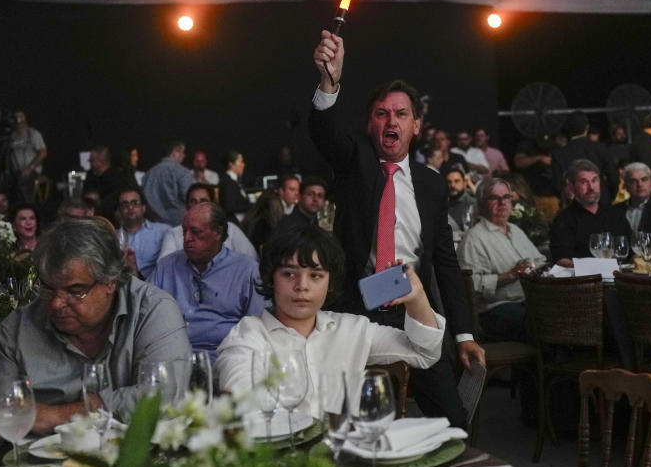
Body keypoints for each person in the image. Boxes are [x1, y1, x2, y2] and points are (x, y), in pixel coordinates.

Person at [310, 29, 483, 429]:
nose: (391, 121)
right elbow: (324, 134)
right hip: (358, 312)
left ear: (416, 125)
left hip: (414, 315)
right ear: (370, 124)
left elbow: (445, 263)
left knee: (454, 427)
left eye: (401, 114)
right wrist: (328, 82)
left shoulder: (431, 183)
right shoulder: (357, 164)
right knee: (348, 430)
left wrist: (462, 335)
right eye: (381, 114)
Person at [0, 219, 191, 438]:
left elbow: (165, 396)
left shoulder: (153, 311)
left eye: (75, 290)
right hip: (37, 466)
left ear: (110, 282)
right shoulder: (19, 328)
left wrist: (57, 416)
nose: (56, 303)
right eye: (47, 288)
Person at [216, 225, 444, 416]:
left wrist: (416, 298)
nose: (302, 285)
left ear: (330, 282)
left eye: (315, 275)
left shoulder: (352, 329)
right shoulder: (247, 336)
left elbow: (425, 353)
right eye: (289, 274)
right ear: (270, 279)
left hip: (347, 457)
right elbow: (243, 408)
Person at [148, 203, 265, 361]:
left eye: (195, 232)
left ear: (218, 232)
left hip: (226, 358)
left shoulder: (246, 271)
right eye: (184, 231)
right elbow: (146, 314)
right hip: (172, 355)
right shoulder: (166, 267)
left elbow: (257, 329)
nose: (187, 238)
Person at [458, 178, 546, 340]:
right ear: (481, 204)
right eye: (494, 198)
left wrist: (540, 269)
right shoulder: (474, 238)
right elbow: (470, 285)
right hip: (495, 310)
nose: (502, 202)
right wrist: (510, 275)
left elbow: (539, 261)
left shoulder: (516, 230)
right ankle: (554, 362)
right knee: (541, 319)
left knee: (559, 308)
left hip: (527, 301)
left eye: (506, 197)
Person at [549, 160, 630, 267]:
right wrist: (591, 267)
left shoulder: (615, 214)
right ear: (572, 186)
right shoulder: (564, 219)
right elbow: (561, 259)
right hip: (582, 279)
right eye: (584, 182)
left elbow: (630, 250)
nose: (591, 187)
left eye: (594, 180)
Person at [159, 183, 258, 261]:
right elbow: (164, 268)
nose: (198, 205)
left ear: (212, 204)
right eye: (193, 201)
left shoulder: (231, 229)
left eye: (203, 201)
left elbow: (252, 260)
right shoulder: (173, 234)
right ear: (187, 206)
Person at [552, 112, 620, 203]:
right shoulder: (600, 148)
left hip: (575, 206)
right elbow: (614, 178)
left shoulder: (560, 154)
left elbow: (557, 186)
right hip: (601, 203)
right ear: (587, 128)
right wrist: (608, 196)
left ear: (568, 129)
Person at [116, 187, 168, 278]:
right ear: (119, 211)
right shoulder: (113, 237)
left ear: (143, 208)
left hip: (157, 288)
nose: (130, 208)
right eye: (125, 204)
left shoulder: (163, 232)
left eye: (135, 203)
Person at [142, 141, 194, 227]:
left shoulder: (148, 174)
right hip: (178, 225)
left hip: (153, 224)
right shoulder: (183, 172)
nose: (184, 156)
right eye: (183, 152)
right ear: (175, 152)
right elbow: (189, 198)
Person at [242, 174, 299, 251]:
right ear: (281, 191)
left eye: (298, 190)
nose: (296, 193)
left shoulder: (288, 207)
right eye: (292, 189)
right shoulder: (270, 209)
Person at [614, 163, 651, 236]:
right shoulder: (615, 211)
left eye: (644, 179)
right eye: (633, 181)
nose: (640, 184)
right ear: (626, 185)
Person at [83, 145, 135, 219]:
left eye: (92, 160)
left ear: (100, 161)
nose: (88, 161)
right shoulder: (90, 176)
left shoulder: (119, 178)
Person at [6, 109, 48, 202]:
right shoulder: (11, 136)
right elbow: (8, 155)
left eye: (21, 116)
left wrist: (30, 168)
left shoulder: (33, 133)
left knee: (24, 188)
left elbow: (43, 152)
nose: (19, 119)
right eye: (16, 117)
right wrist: (7, 171)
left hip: (31, 171)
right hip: (16, 172)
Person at [220, 149, 252, 224]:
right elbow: (230, 206)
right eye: (240, 161)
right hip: (235, 223)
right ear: (231, 164)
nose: (243, 165)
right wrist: (251, 206)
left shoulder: (234, 181)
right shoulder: (228, 182)